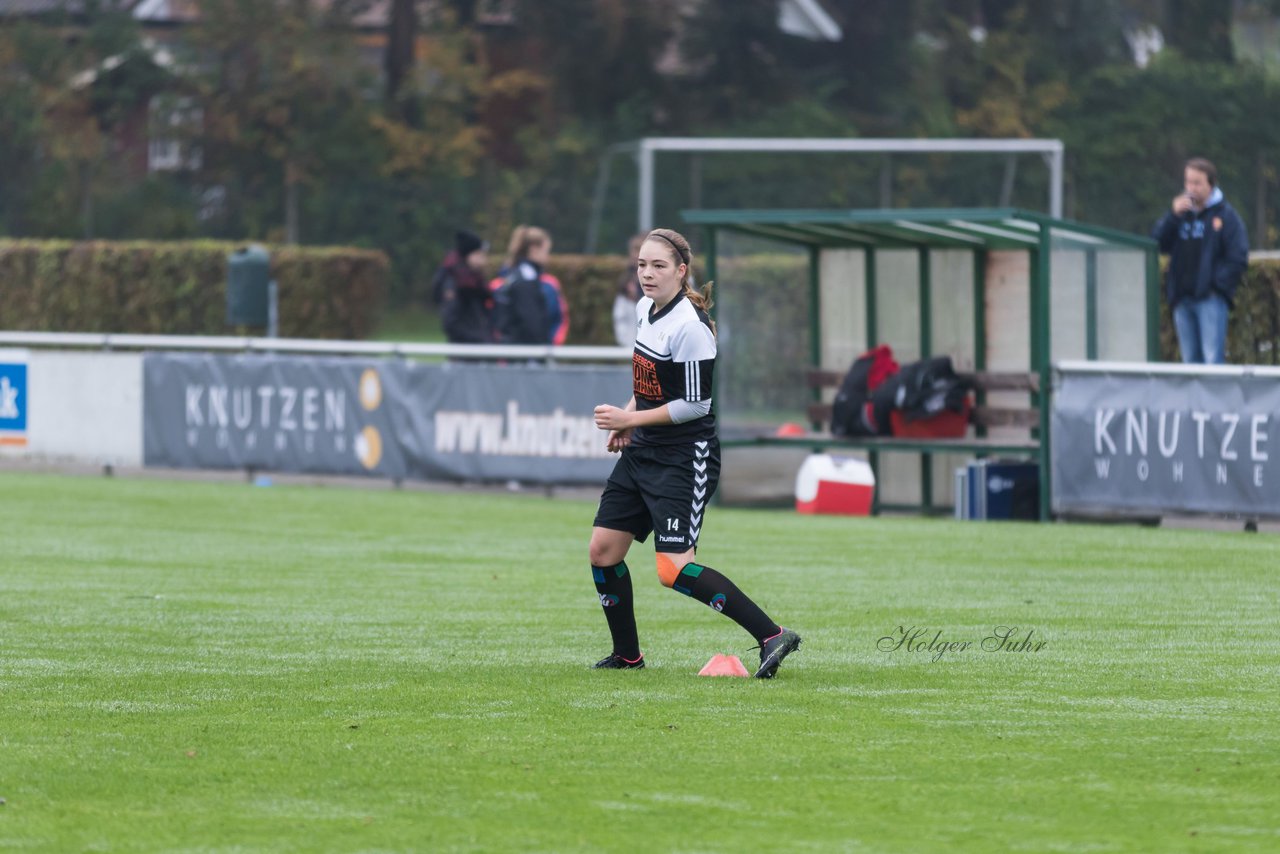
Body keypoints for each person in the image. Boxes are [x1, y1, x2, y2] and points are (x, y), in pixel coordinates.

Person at [587, 227, 801, 678]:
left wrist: (629, 421)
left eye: (658, 265)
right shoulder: (646, 309)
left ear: (681, 271)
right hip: (643, 450)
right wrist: (630, 417)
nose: (647, 273)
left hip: (684, 456)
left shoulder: (691, 327)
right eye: (642, 264)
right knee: (603, 550)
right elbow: (648, 382)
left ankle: (772, 635)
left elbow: (693, 405)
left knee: (672, 569)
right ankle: (627, 656)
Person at [1151, 157, 1249, 364]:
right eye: (1188, 182)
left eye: (1197, 183)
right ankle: (1194, 399)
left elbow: (1238, 257)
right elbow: (1156, 243)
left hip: (1210, 300)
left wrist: (1215, 286)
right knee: (1190, 364)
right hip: (1182, 299)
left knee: (1212, 361)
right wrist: (1172, 216)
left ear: (1211, 184)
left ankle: (1215, 399)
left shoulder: (1226, 216)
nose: (1191, 188)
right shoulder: (1180, 215)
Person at [491, 226, 567, 345]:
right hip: (524, 354)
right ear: (534, 249)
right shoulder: (527, 278)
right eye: (546, 251)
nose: (548, 256)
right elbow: (531, 322)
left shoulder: (513, 275)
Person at [431, 229, 492, 344]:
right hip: (465, 352)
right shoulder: (454, 282)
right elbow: (451, 323)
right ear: (468, 255)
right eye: (479, 254)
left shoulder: (474, 282)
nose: (483, 260)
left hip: (476, 349)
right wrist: (479, 338)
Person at [612, 234, 645, 349]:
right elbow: (620, 316)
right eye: (634, 250)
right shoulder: (626, 281)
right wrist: (624, 341)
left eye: (639, 250)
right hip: (631, 347)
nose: (635, 255)